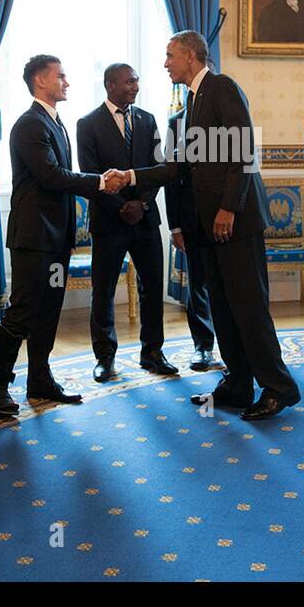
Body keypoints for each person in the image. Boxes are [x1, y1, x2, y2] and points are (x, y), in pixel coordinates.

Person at [113, 31, 302, 420]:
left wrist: (229, 208)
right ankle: (237, 382)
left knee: (248, 308)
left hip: (234, 223)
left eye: (170, 56)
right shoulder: (192, 101)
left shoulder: (221, 87)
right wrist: (131, 176)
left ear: (191, 56)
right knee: (223, 307)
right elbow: (178, 165)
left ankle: (279, 388)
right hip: (208, 228)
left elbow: (244, 150)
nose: (165, 64)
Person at [0, 55, 107, 415]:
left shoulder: (55, 122)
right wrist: (99, 181)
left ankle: (40, 378)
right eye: (60, 76)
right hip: (33, 238)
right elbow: (52, 176)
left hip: (56, 237)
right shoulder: (30, 125)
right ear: (39, 80)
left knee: (49, 309)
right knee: (22, 311)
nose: (66, 82)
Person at [76, 64, 175, 382]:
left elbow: (159, 165)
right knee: (102, 291)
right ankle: (105, 358)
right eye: (129, 81)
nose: (136, 85)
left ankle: (153, 353)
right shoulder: (87, 124)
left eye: (137, 80)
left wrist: (141, 202)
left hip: (145, 218)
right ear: (110, 85)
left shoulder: (147, 119)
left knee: (152, 287)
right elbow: (91, 173)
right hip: (109, 221)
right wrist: (121, 207)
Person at [166, 103, 220, 372]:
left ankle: (236, 348)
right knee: (197, 284)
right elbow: (170, 176)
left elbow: (242, 167)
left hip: (226, 219)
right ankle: (202, 347)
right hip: (191, 219)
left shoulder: (225, 115)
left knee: (226, 286)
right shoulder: (175, 122)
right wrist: (175, 227)